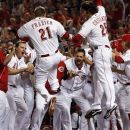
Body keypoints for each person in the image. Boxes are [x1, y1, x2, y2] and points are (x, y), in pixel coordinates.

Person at [17, 5, 72, 114]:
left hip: (44, 59)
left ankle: (49, 97)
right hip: (57, 56)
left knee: (39, 85)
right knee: (53, 80)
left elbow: (20, 35)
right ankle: (57, 95)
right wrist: (72, 38)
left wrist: (32, 36)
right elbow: (66, 36)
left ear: (34, 14)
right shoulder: (53, 21)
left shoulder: (29, 25)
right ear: (45, 13)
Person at [72, 0, 117, 119]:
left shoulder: (89, 23)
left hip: (100, 51)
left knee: (105, 78)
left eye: (83, 11)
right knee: (97, 79)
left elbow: (77, 39)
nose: (82, 13)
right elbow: (99, 2)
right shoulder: (101, 12)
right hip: (103, 49)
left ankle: (111, 103)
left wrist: (67, 37)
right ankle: (97, 105)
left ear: (87, 11)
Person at [53, 48, 95, 130]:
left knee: (87, 110)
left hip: (78, 91)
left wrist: (91, 67)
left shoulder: (87, 66)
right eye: (77, 56)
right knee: (64, 111)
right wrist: (69, 76)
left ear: (84, 58)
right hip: (65, 91)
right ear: (74, 56)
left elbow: (93, 75)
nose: (79, 58)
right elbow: (60, 77)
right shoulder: (67, 64)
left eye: (81, 56)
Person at [0, 40, 15, 130]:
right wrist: (12, 51)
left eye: (6, 47)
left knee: (7, 109)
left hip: (3, 90)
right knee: (2, 112)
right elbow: (5, 62)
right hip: (0, 89)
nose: (5, 49)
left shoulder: (3, 55)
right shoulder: (0, 53)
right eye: (4, 47)